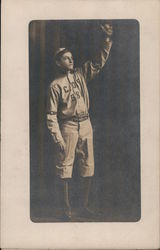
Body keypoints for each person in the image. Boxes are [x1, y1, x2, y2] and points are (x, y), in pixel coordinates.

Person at [46, 22, 113, 221]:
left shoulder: (81, 75)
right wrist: (57, 138)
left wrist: (107, 41)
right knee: (65, 166)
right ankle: (65, 209)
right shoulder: (55, 85)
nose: (70, 60)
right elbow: (50, 115)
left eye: (71, 57)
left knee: (88, 164)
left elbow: (98, 63)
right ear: (58, 62)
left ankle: (84, 207)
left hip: (85, 124)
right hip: (67, 126)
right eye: (66, 58)